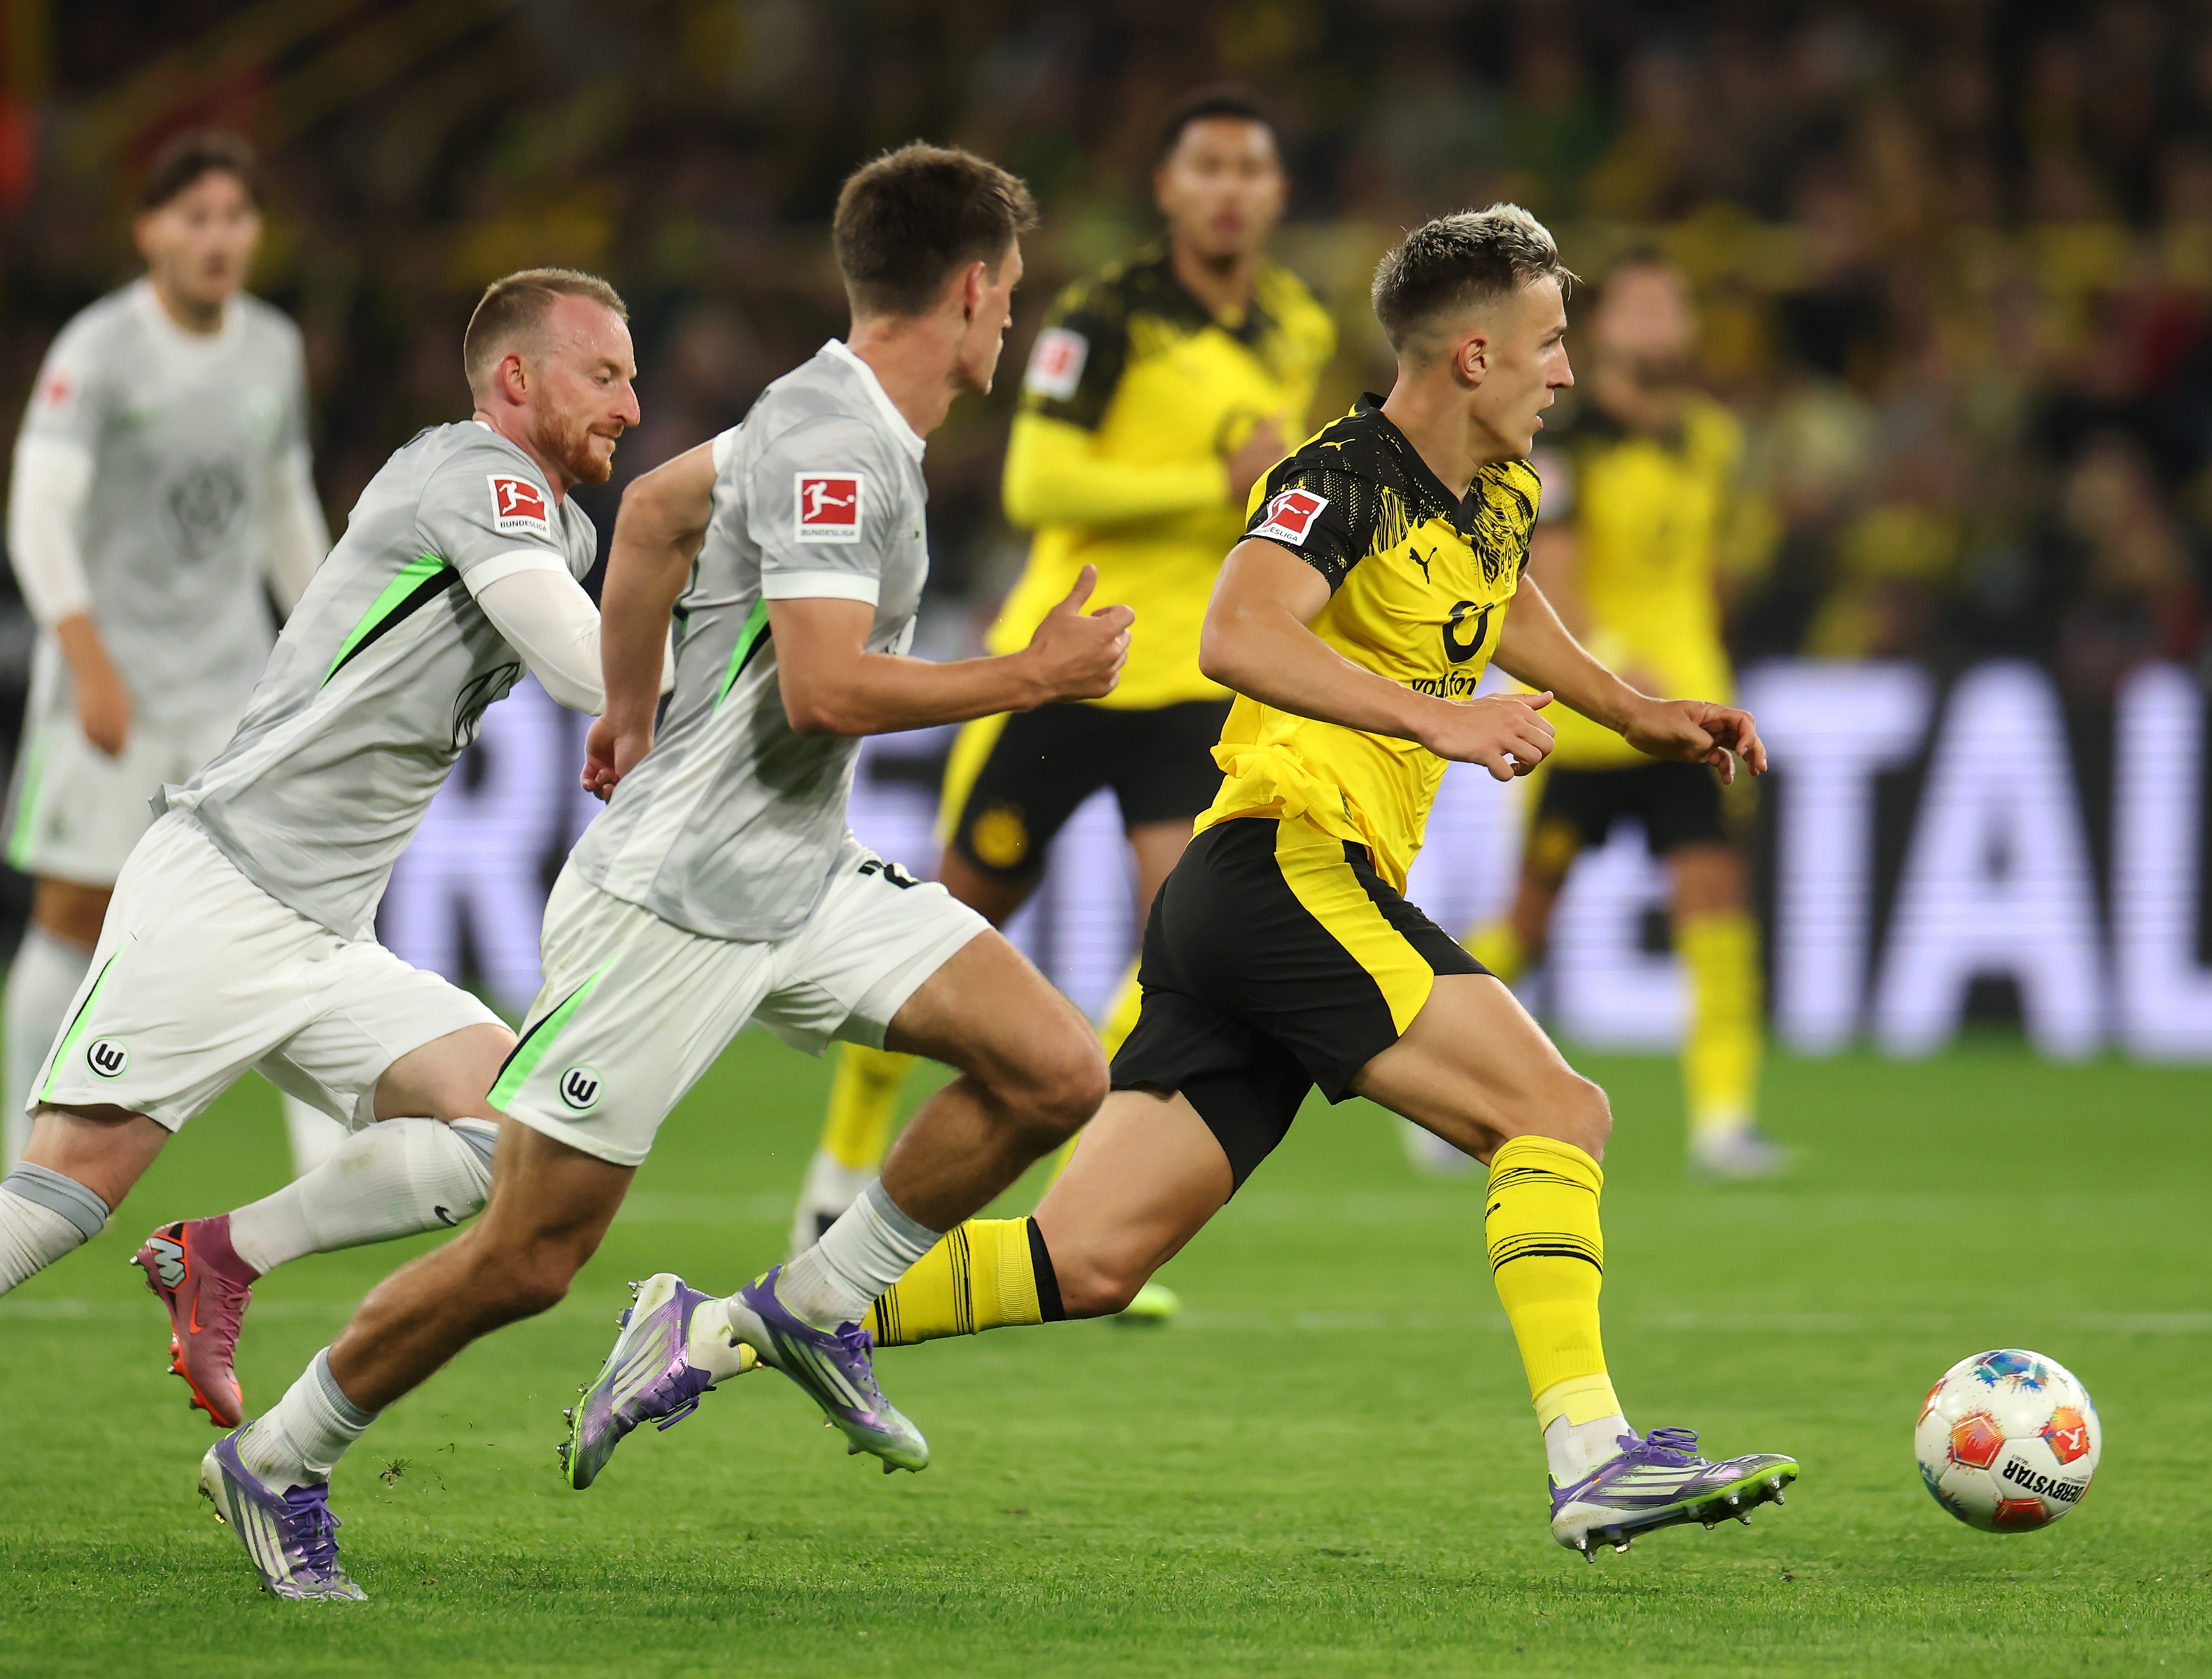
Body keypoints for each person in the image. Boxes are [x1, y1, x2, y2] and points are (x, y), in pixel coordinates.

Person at [584, 205, 1799, 1564]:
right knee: (1557, 1114)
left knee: (1088, 1259)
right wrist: (1437, 718)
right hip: (1285, 866)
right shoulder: (1341, 477)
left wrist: (1633, 711)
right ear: (1473, 355)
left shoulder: (1500, 492)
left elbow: (1504, 601)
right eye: (1549, 342)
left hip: (1255, 906)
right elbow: (1236, 630)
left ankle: (714, 1329)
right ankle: (1593, 1456)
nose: (1566, 369)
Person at [203, 143, 1130, 1602]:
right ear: (968, 289)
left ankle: (813, 1303)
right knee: (527, 1257)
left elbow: (650, 515)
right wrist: (1034, 674)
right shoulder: (837, 444)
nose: (1013, 315)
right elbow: (823, 693)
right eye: (1008, 289)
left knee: (1055, 1070)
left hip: (798, 872)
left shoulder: (832, 417)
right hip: (674, 903)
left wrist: (628, 706)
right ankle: (278, 1456)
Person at [0, 267, 640, 1557]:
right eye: (606, 375)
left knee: (512, 1136)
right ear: (516, 377)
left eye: (633, 378)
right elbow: (581, 663)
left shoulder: (561, 527)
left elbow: (583, 671)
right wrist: (716, 687)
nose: (631, 403)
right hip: (225, 893)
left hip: (325, 928)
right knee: (53, 1204)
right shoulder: (475, 475)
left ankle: (223, 1254)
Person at [797, 87, 1334, 1270]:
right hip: (1071, 667)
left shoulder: (1295, 322)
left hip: (1192, 683)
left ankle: (1079, 1211)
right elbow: (1036, 484)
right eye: (1207, 167)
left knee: (1183, 955)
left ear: (1277, 193)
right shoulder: (1104, 317)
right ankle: (837, 1173)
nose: (1231, 189)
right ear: (1169, 188)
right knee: (950, 920)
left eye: (1251, 168)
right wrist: (1211, 483)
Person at [0, 130, 346, 1180]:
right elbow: (38, 516)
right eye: (195, 218)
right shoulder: (99, 350)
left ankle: (331, 1170)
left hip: (232, 685)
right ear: (149, 230)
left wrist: (332, 650)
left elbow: (283, 510)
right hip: (111, 683)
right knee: (76, 916)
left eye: (235, 217)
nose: (217, 239)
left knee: (282, 912)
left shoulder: (273, 347)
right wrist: (89, 662)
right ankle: (22, 1172)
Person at [1438, 250, 1780, 1181]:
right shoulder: (1564, 446)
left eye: (1673, 305)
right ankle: (1437, 1086)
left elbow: (1709, 575)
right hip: (1595, 717)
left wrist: (1698, 663)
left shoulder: (1711, 438)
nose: (1659, 322)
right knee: (1527, 921)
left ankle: (1724, 1121)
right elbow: (1554, 585)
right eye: (1640, 307)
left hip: (1690, 715)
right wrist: (1625, 670)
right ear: (1605, 329)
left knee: (1715, 909)